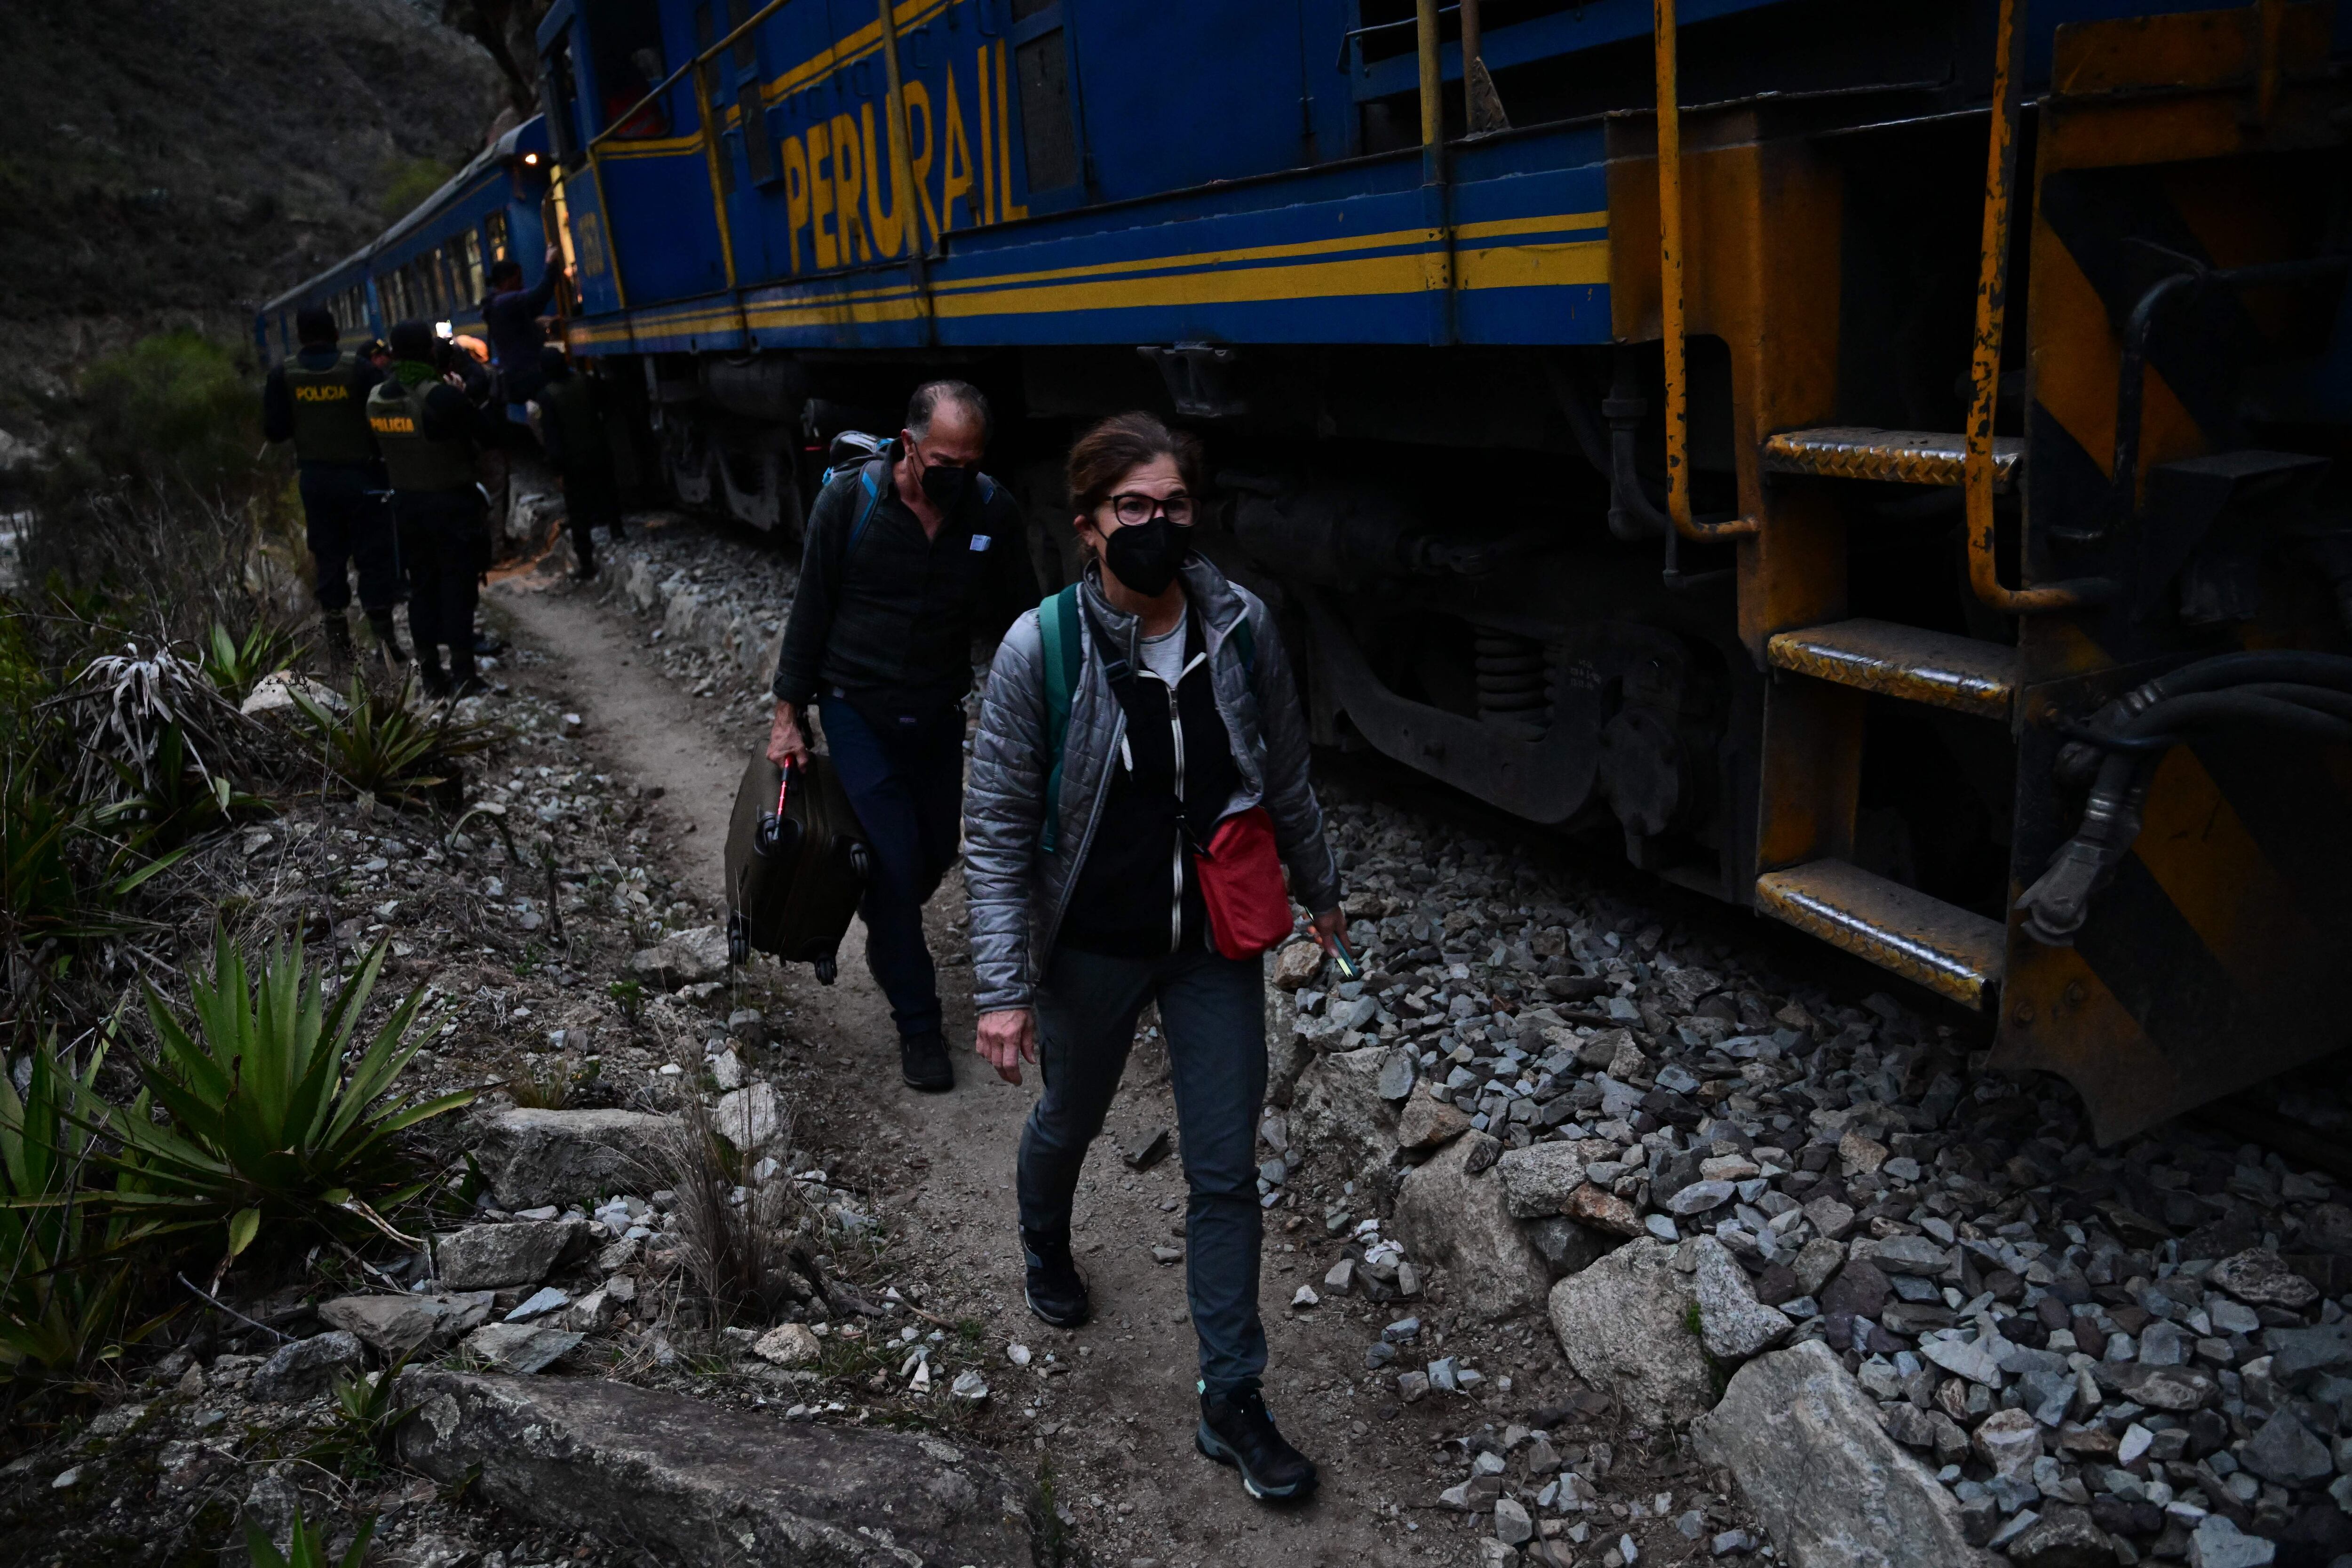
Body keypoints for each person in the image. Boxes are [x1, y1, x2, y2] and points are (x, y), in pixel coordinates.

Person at [962, 412, 1343, 1504]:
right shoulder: (1045, 648)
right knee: (1070, 1118)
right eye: (1133, 508)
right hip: (1093, 947)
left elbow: (1285, 775)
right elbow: (993, 832)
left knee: (1224, 1170)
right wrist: (1001, 991)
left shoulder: (1241, 629)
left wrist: (1321, 894)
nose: (1157, 526)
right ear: (1087, 527)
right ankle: (1044, 1236)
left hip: (1211, 944)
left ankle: (1232, 1398)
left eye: (1174, 506)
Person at [766, 381, 1038, 1090]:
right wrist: (788, 717)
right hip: (856, 708)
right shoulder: (849, 503)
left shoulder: (990, 510)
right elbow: (809, 610)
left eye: (972, 463)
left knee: (929, 856)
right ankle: (919, 1025)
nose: (960, 476)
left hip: (937, 710)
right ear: (909, 447)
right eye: (947, 462)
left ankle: (885, 922)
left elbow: (1023, 620)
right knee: (890, 862)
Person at [367, 320, 505, 698]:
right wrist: (465, 398)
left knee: (421, 590)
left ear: (393, 354)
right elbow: (490, 435)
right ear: (430, 352)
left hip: (407, 508)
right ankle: (464, 672)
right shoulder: (440, 396)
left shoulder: (377, 397)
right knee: (457, 587)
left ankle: (431, 676)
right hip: (450, 505)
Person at [261, 306, 404, 664]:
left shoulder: (284, 375)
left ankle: (340, 648)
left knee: (329, 558)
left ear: (300, 336)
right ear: (337, 334)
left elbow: (275, 431)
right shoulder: (360, 370)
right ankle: (385, 644)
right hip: (363, 479)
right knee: (373, 557)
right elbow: (382, 417)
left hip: (317, 480)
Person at [534, 345, 624, 580]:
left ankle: (586, 564)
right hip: (599, 452)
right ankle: (618, 531)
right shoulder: (586, 382)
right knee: (608, 493)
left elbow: (552, 439)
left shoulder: (548, 396)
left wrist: (558, 471)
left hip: (573, 462)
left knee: (578, 512)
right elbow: (608, 405)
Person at [482, 247, 565, 413]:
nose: (521, 284)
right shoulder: (505, 302)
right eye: (518, 279)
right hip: (525, 372)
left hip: (518, 373)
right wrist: (550, 264)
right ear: (506, 281)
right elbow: (539, 295)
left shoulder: (496, 304)